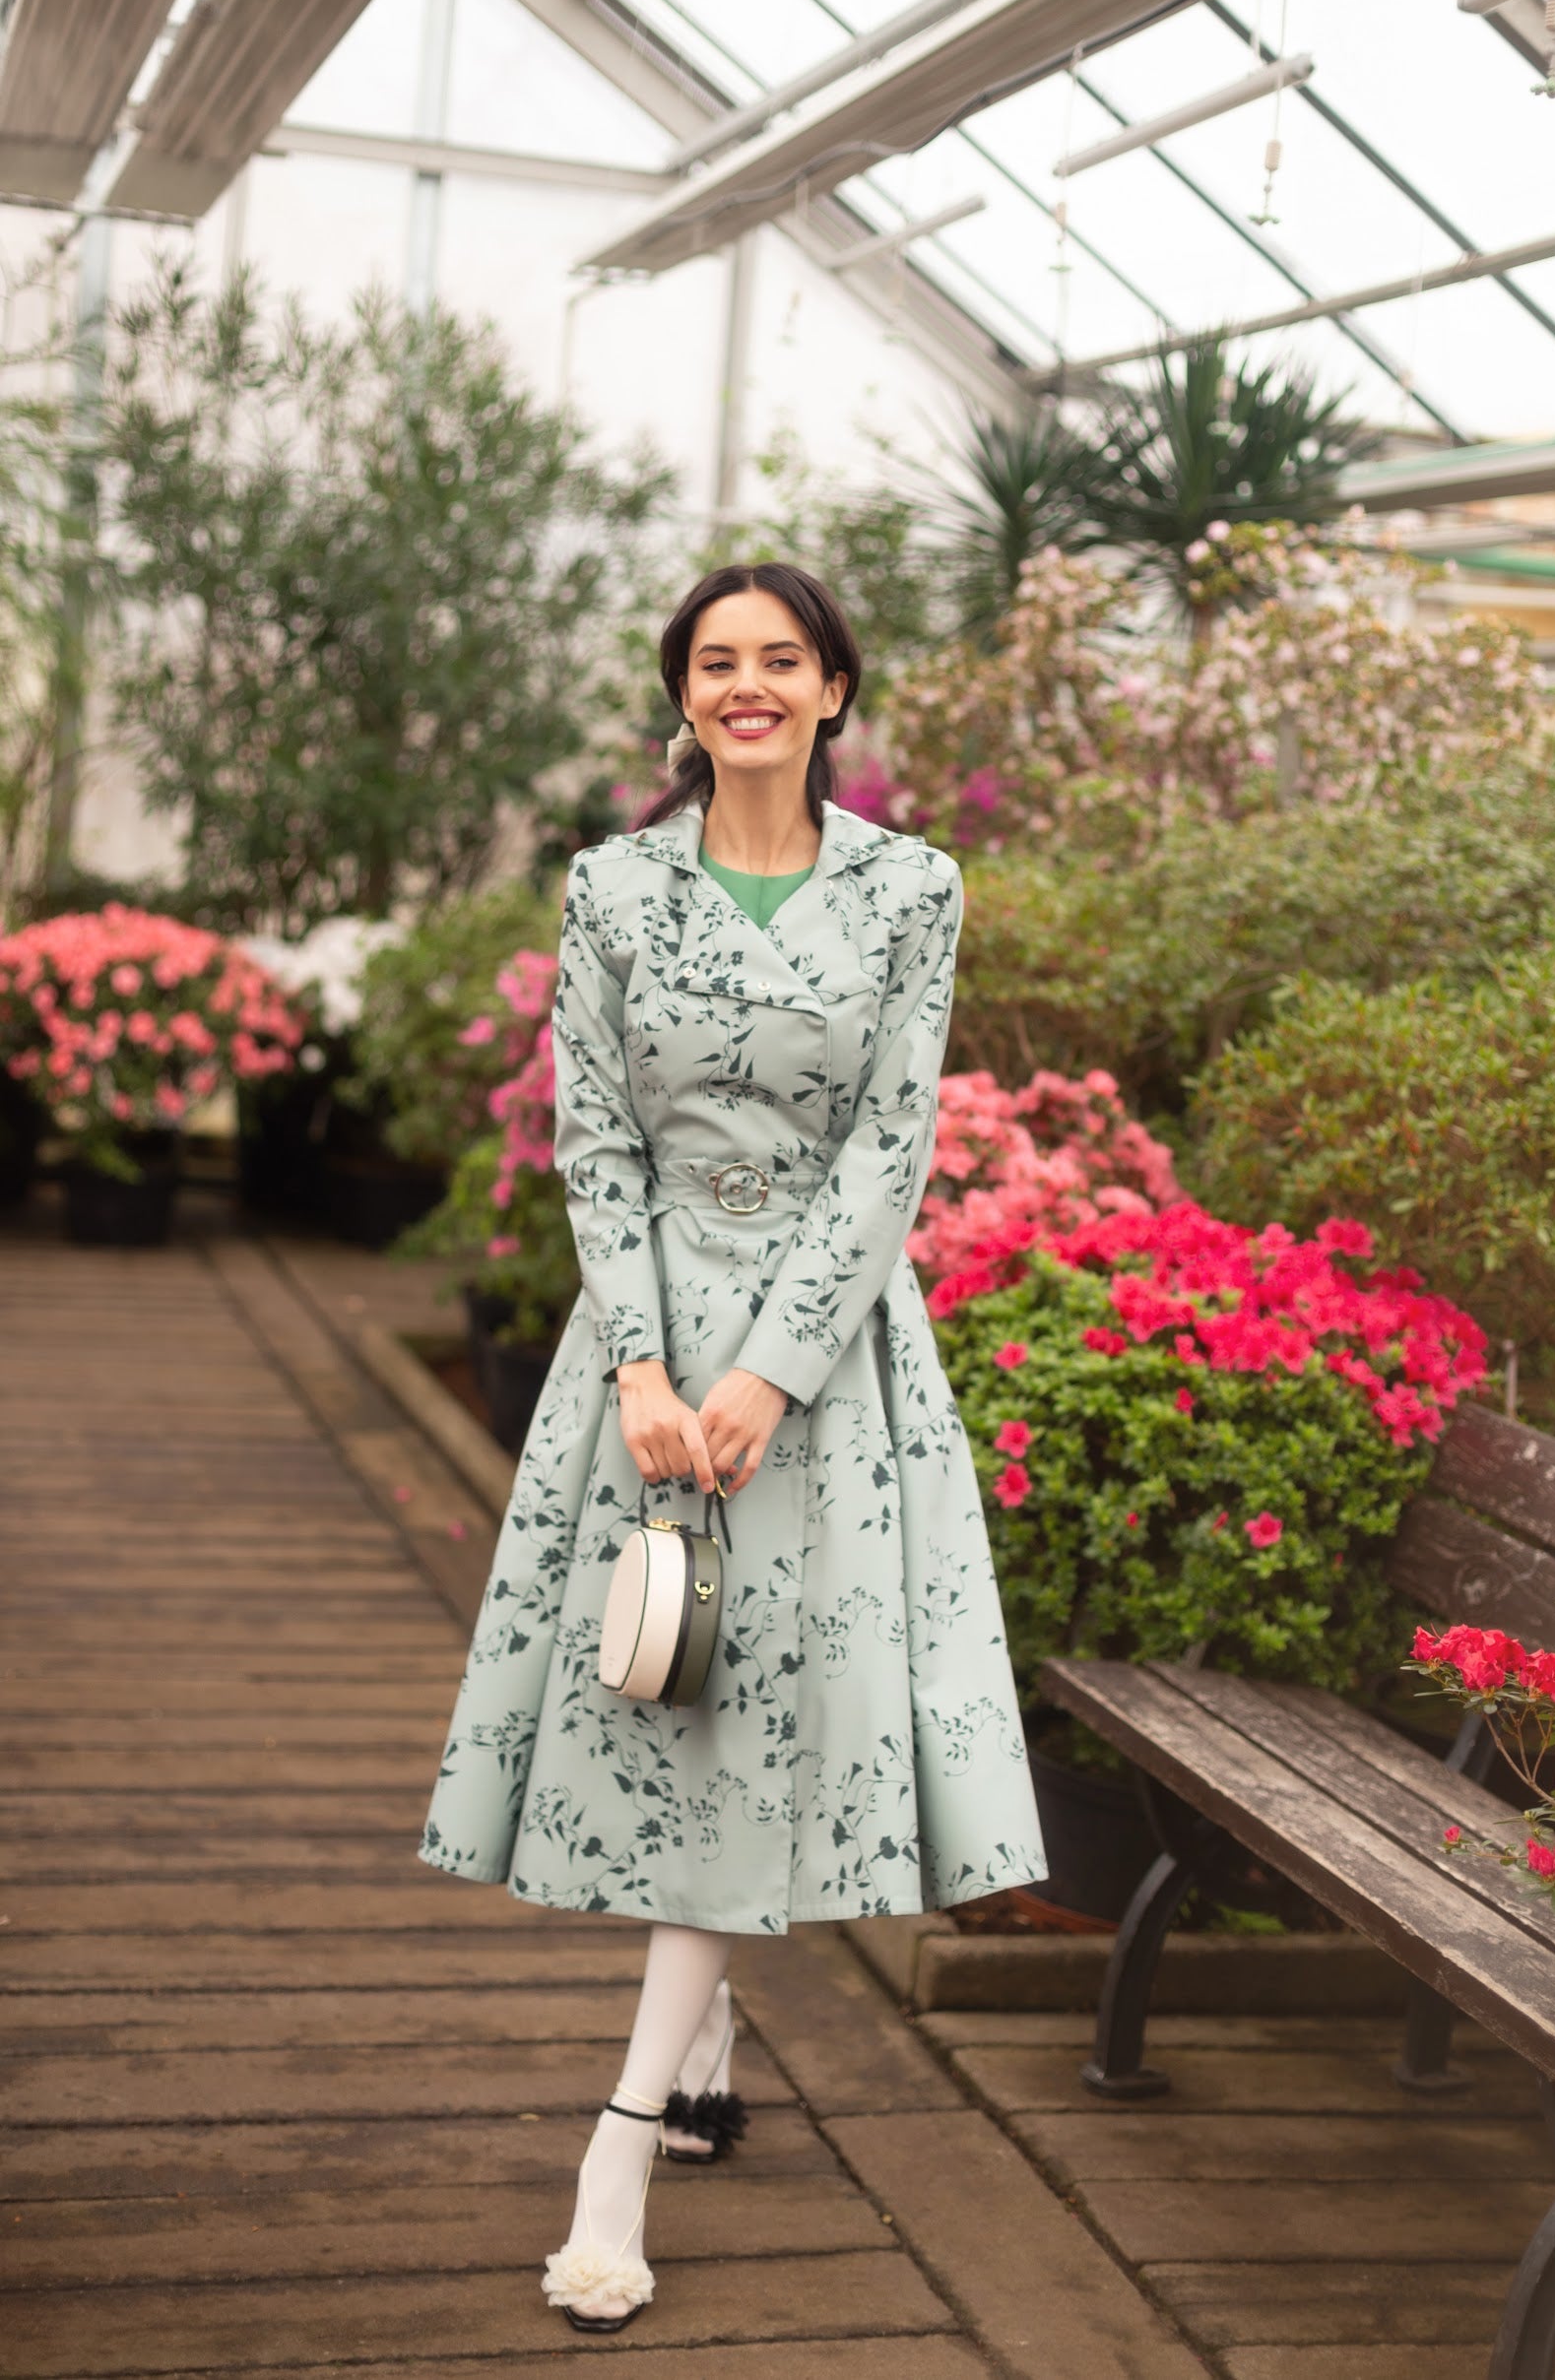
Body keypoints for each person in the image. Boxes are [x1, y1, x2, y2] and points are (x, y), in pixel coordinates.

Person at [419, 561, 1046, 2332]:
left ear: (835, 688)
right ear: (683, 696)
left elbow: (894, 1146)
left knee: (755, 1702)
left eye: (783, 658)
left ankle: (622, 2136)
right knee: (682, 1690)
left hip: (827, 1359)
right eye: (717, 661)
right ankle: (697, 2055)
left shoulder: (912, 888)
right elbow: (595, 1138)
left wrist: (773, 1371)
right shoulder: (611, 885)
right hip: (646, 1339)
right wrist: (641, 1363)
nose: (749, 684)